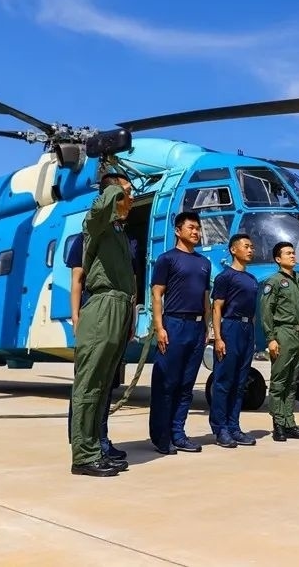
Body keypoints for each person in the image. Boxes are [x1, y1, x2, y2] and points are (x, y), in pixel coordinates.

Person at [69, 172, 136, 477]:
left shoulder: (119, 232)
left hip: (120, 307)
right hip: (102, 306)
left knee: (104, 385)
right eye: (127, 193)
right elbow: (100, 206)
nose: (131, 199)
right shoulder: (97, 224)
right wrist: (114, 188)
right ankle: (83, 455)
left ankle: (95, 448)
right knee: (90, 383)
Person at [149, 211, 212, 454]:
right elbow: (157, 294)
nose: (196, 232)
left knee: (186, 385)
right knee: (167, 383)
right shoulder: (167, 259)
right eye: (191, 228)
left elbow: (205, 297)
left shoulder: (204, 263)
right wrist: (159, 327)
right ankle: (161, 436)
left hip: (197, 328)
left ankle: (178, 432)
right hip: (174, 324)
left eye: (198, 228)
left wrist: (207, 327)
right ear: (178, 230)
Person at [65, 231, 128, 462]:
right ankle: (82, 440)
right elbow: (77, 279)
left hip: (116, 317)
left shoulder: (122, 241)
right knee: (87, 384)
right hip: (94, 316)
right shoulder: (85, 239)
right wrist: (76, 316)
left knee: (106, 386)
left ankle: (100, 439)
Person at [209, 233, 259, 448]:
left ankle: (234, 427)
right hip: (230, 327)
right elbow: (217, 308)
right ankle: (220, 429)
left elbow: (252, 310)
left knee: (240, 383)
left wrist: (252, 337)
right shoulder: (225, 277)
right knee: (223, 382)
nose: (250, 250)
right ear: (233, 250)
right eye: (246, 246)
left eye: (252, 247)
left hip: (247, 330)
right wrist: (218, 337)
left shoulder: (252, 279)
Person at [259, 241, 299, 442]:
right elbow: (266, 311)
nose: (293, 256)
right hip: (283, 333)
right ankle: (278, 424)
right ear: (278, 259)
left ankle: (290, 423)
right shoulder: (273, 282)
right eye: (288, 253)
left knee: (293, 383)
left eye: (293, 252)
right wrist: (271, 338)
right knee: (279, 381)